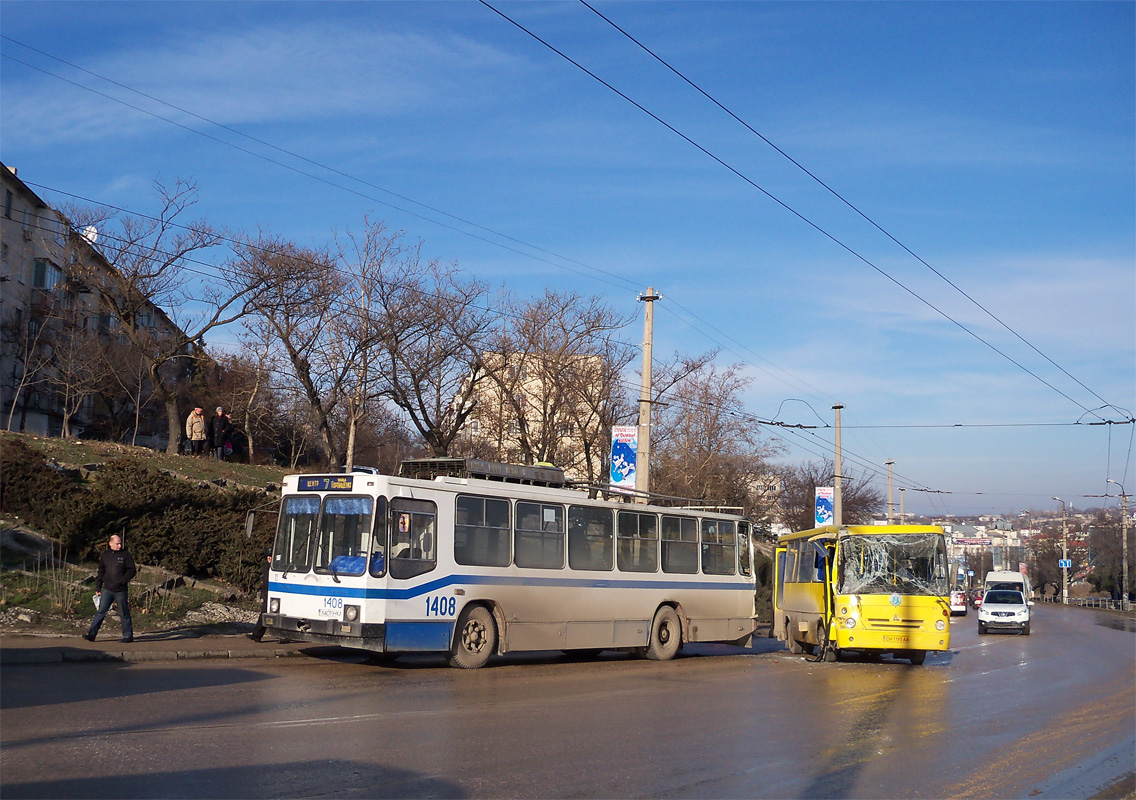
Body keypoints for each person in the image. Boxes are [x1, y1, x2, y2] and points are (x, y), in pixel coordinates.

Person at [84, 534, 137, 643]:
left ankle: (128, 636)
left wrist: (123, 580)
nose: (119, 545)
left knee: (124, 613)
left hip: (121, 590)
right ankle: (92, 634)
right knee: (101, 612)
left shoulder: (125, 554)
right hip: (107, 589)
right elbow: (101, 571)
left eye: (120, 543)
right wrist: (98, 586)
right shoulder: (106, 555)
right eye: (117, 543)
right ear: (110, 543)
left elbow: (132, 570)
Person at [249, 549, 272, 642]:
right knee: (264, 614)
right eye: (268, 557)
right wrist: (263, 595)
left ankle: (257, 635)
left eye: (270, 557)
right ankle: (257, 635)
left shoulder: (273, 568)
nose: (269, 558)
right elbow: (265, 583)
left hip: (272, 593)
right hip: (267, 594)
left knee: (265, 614)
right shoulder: (267, 567)